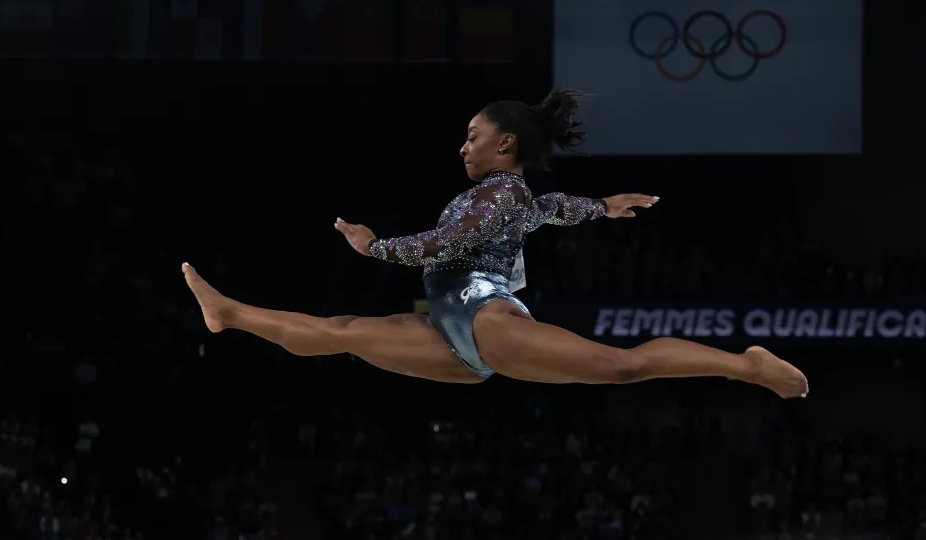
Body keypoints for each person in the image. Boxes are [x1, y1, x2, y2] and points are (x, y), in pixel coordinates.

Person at [182, 88, 807, 398]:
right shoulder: (509, 197)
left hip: (485, 317)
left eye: (474, 135)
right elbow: (548, 209)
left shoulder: (501, 192)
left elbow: (449, 242)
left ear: (505, 145)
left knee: (621, 366)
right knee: (338, 331)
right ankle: (229, 315)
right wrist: (601, 206)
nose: (464, 145)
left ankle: (745, 365)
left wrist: (374, 248)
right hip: (452, 334)